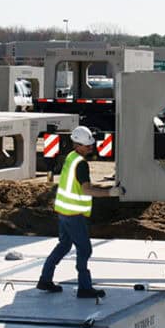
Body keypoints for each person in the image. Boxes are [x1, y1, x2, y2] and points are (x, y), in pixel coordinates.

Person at [37, 126, 124, 299]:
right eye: (87, 145)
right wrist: (110, 193)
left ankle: (45, 279)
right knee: (84, 249)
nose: (90, 147)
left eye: (91, 144)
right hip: (74, 214)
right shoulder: (81, 164)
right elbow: (86, 190)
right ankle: (84, 287)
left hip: (64, 211)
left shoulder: (71, 157)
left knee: (63, 246)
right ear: (77, 144)